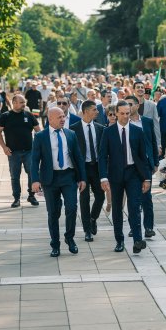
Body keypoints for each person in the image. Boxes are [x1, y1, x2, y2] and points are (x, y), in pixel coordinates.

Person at [31, 108, 86, 257]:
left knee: (72, 208)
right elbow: (35, 159)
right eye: (59, 117)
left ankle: (70, 238)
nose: (63, 119)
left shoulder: (70, 134)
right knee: (53, 213)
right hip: (50, 179)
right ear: (50, 119)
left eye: (63, 116)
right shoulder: (40, 136)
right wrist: (35, 180)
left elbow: (78, 157)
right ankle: (55, 244)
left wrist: (82, 178)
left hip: (68, 176)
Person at [99, 101, 150, 254]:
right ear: (116, 113)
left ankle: (137, 241)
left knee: (134, 206)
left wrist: (146, 178)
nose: (125, 116)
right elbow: (102, 156)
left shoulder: (137, 131)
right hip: (115, 175)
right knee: (117, 209)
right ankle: (119, 241)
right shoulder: (108, 132)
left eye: (127, 113)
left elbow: (143, 156)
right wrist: (103, 178)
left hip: (133, 173)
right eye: (122, 113)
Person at [0, 95, 42, 208]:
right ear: (14, 103)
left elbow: (38, 131)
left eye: (24, 102)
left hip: (29, 151)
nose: (24, 104)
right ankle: (16, 198)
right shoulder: (6, 116)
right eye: (21, 102)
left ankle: (31, 195)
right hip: (13, 152)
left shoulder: (29, 115)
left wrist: (37, 146)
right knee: (15, 176)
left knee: (32, 173)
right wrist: (4, 147)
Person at [69, 100, 105, 242]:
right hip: (82, 168)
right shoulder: (73, 129)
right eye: (95, 109)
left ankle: (92, 218)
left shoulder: (100, 128)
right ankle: (87, 230)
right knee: (84, 199)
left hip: (96, 167)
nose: (98, 112)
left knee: (100, 197)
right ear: (86, 111)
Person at [127, 96, 158, 238]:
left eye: (130, 104)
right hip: (129, 164)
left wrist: (155, 162)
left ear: (137, 106)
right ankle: (134, 227)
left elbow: (152, 141)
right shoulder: (124, 123)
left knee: (147, 196)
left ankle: (148, 227)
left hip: (145, 163)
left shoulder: (147, 122)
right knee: (133, 198)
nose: (128, 107)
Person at [134, 81, 162, 156]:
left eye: (142, 87)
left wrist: (158, 144)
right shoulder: (128, 104)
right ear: (134, 90)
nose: (140, 89)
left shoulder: (152, 105)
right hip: (133, 141)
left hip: (148, 140)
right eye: (138, 87)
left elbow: (156, 125)